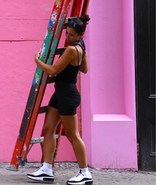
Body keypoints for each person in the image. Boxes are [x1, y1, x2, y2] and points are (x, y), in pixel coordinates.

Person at [26, 16, 91, 185]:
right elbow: (84, 69)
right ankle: (46, 170)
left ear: (81, 34)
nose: (68, 37)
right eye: (67, 33)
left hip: (67, 96)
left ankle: (85, 173)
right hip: (60, 94)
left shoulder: (72, 50)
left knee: (73, 135)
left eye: (71, 35)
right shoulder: (81, 47)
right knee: (48, 130)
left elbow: (53, 70)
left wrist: (37, 61)